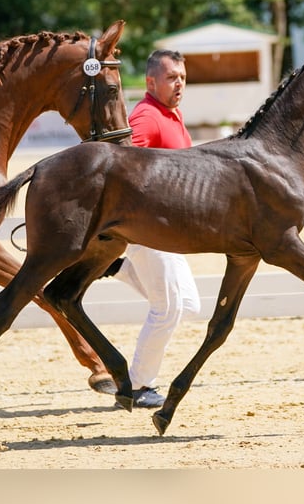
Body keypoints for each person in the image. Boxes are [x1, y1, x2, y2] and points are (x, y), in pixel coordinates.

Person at [103, 49, 201, 408]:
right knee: (168, 308)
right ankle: (139, 386)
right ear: (150, 82)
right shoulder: (146, 116)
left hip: (170, 231)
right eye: (172, 77)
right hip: (149, 228)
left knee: (188, 305)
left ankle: (118, 268)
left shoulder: (171, 114)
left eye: (183, 77)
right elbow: (123, 163)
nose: (179, 83)